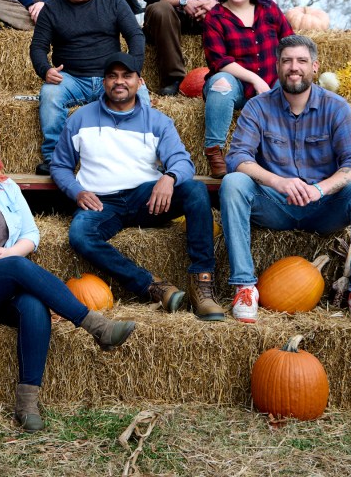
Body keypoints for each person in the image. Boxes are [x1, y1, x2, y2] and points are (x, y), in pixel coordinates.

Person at [0, 122, 136, 431]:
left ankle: (27, 403)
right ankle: (95, 325)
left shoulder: (7, 187)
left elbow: (31, 234)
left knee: (33, 304)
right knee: (16, 267)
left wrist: (9, 253)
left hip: (4, 285)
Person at [219, 34, 351, 328]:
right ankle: (245, 288)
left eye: (301, 61)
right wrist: (279, 182)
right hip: (275, 205)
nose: (293, 67)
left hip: (323, 207)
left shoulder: (336, 107)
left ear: (314, 67)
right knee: (233, 183)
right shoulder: (258, 107)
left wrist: (319, 189)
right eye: (287, 61)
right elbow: (238, 157)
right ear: (277, 66)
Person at [53, 53, 225, 321]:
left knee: (195, 190)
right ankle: (152, 286)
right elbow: (60, 166)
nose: (119, 82)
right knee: (80, 235)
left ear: (139, 81)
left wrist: (168, 178)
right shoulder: (80, 119)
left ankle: (201, 285)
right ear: (103, 82)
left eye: (126, 76)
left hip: (148, 199)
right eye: (112, 76)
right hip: (102, 203)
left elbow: (182, 161)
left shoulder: (157, 121)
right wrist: (77, 191)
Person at [29, 0, 147, 175]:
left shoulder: (114, 2)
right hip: (71, 78)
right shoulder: (52, 10)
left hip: (112, 77)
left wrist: (133, 70)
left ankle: (144, 152)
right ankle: (56, 157)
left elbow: (135, 36)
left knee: (141, 95)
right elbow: (37, 47)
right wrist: (45, 70)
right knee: (50, 93)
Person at [201, 0, 294, 177]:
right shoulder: (215, 17)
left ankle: (287, 153)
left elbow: (289, 42)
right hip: (238, 88)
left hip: (272, 83)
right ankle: (214, 151)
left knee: (294, 83)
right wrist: (255, 79)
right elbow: (219, 60)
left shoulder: (269, 9)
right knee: (220, 83)